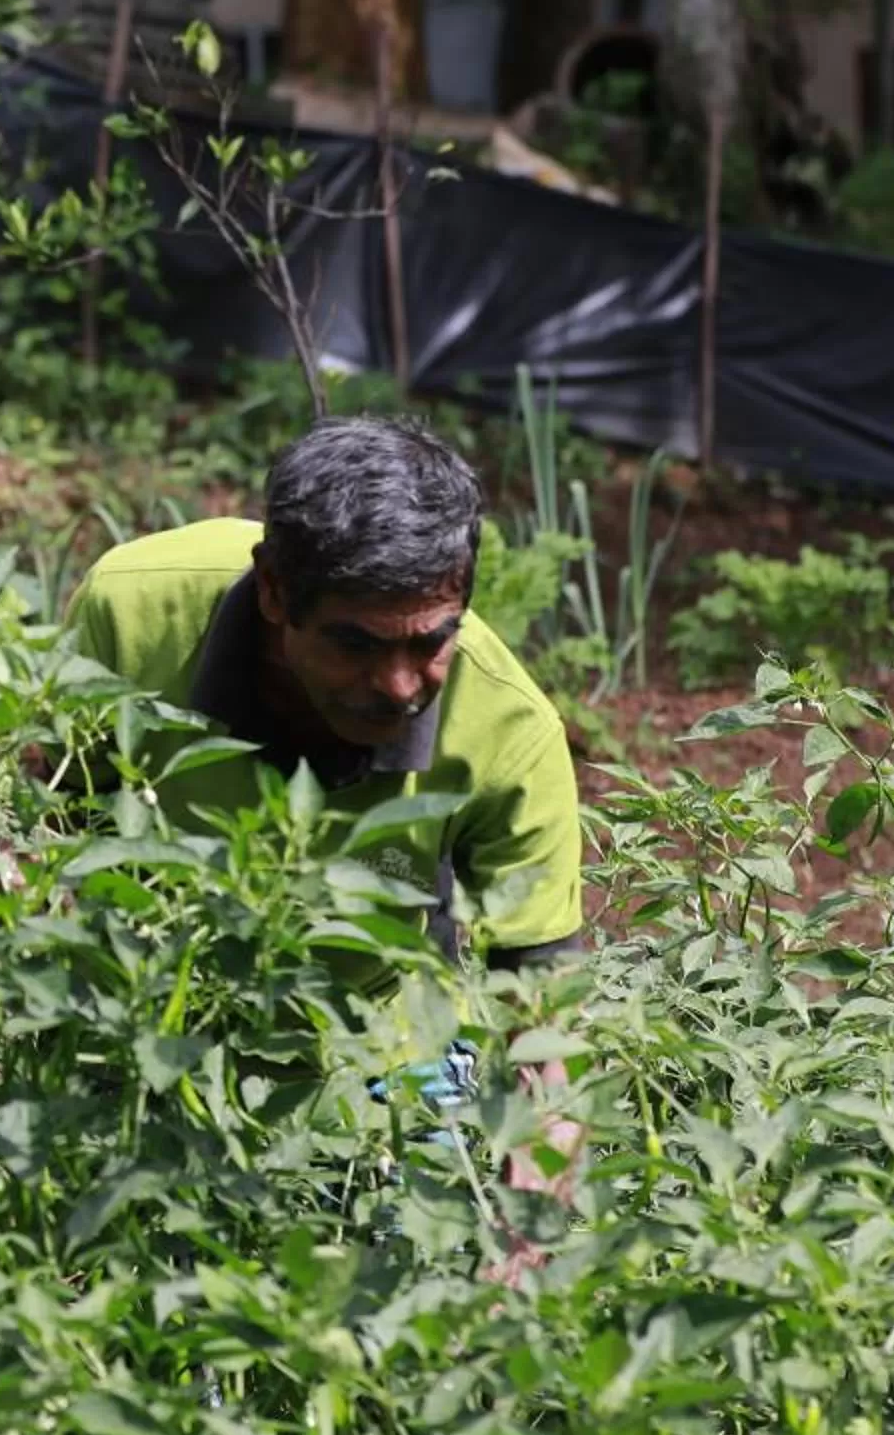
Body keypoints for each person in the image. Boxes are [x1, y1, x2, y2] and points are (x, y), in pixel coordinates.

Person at [64, 415, 584, 1259]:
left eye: (432, 640)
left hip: (383, 1042)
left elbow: (546, 1007)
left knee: (406, 1265)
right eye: (356, 643)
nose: (400, 685)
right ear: (274, 591)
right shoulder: (137, 612)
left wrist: (531, 1215)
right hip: (153, 1015)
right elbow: (52, 819)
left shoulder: (508, 728)